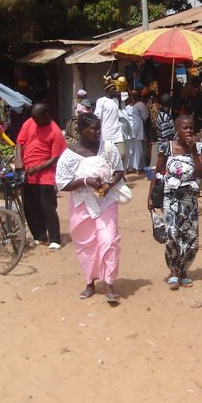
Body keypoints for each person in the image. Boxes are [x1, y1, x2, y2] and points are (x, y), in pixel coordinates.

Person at [55, 113, 125, 303]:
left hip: (106, 201)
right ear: (82, 130)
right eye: (93, 129)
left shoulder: (108, 148)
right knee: (87, 245)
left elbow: (119, 170)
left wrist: (109, 185)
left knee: (109, 240)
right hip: (82, 203)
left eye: (98, 128)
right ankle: (90, 282)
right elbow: (62, 183)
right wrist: (86, 181)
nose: (97, 132)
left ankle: (109, 283)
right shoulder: (70, 154)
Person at [149, 115, 202, 290]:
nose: (189, 131)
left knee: (191, 239)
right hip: (171, 199)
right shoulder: (167, 148)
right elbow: (157, 172)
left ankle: (184, 270)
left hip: (189, 200)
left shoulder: (199, 147)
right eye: (185, 127)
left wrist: (194, 151)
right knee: (172, 235)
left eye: (191, 127)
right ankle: (174, 271)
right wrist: (150, 196)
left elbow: (200, 173)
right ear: (177, 130)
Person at [15, 103, 67, 250]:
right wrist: (19, 163)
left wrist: (38, 168)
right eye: (34, 119)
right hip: (28, 173)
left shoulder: (55, 131)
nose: (35, 122)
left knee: (47, 206)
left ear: (46, 116)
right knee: (30, 207)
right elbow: (19, 143)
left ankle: (55, 238)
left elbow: (55, 157)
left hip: (45, 175)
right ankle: (39, 235)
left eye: (38, 119)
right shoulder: (29, 123)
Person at [94, 81, 127, 165]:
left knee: (122, 155)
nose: (115, 90)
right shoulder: (101, 101)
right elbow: (97, 117)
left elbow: (125, 96)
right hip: (106, 134)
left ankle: (119, 174)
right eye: (113, 89)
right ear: (107, 91)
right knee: (107, 156)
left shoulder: (116, 101)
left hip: (117, 133)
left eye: (115, 89)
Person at [123, 91, 146, 173]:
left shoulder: (127, 106)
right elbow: (145, 116)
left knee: (130, 148)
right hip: (137, 128)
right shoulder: (140, 104)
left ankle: (129, 166)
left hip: (129, 128)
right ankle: (137, 167)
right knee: (137, 148)